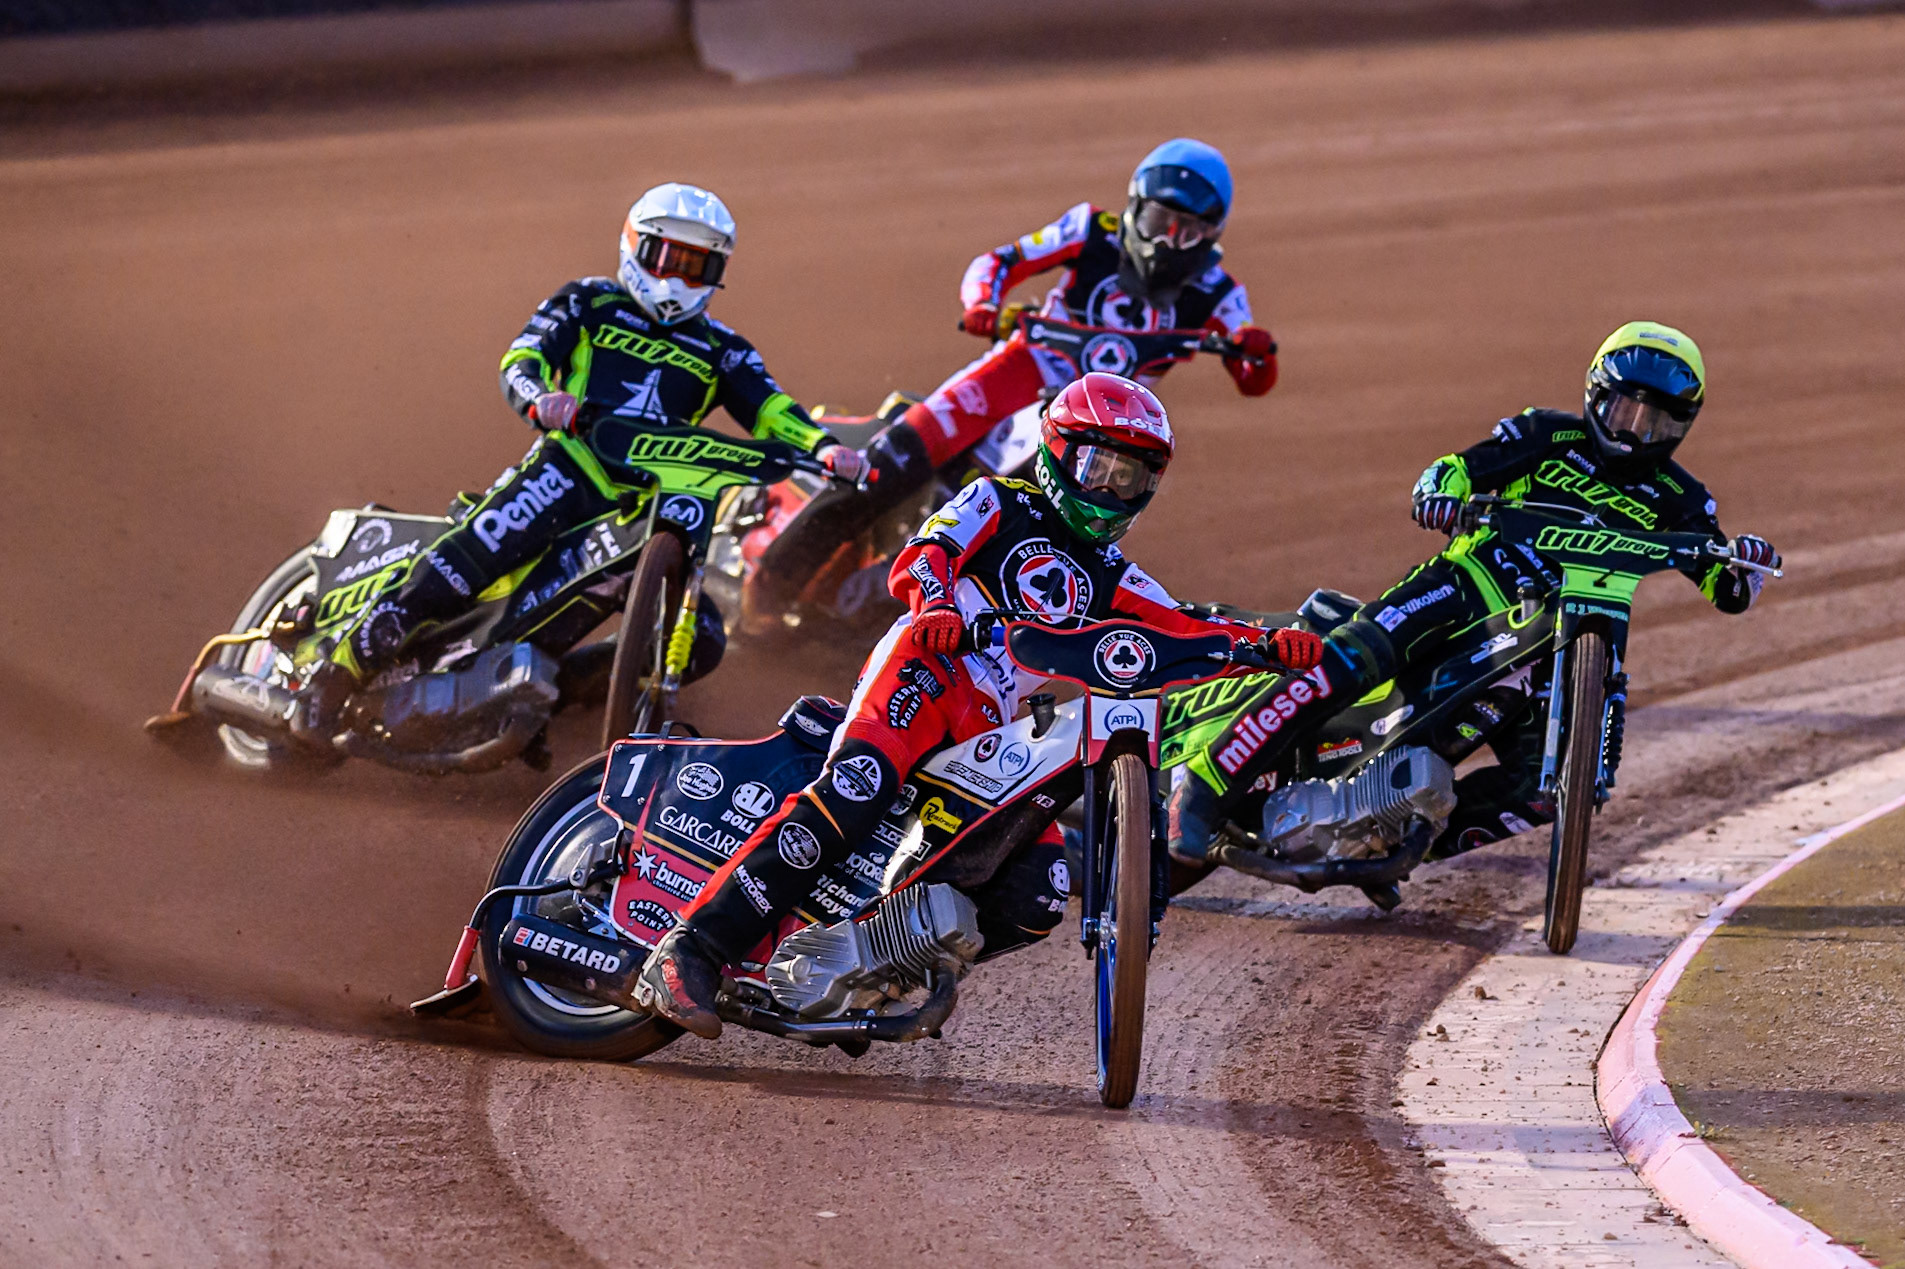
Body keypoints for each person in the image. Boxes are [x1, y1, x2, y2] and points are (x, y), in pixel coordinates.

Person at [634, 373, 1323, 1037]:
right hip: (924, 669)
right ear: (1056, 452)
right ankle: (689, 949)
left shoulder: (1116, 576)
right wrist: (936, 603)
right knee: (855, 790)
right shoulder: (997, 500)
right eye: (1097, 466)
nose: (1110, 489)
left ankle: (877, 961)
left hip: (989, 721)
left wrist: (1266, 646)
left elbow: (1184, 627)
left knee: (1039, 892)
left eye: (1130, 477)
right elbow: (929, 549)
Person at [1165, 321, 1782, 864]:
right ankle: (1205, 786)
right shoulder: (1545, 435)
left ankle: (1392, 840)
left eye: (1659, 419)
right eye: (1626, 411)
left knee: (1551, 790)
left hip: (1563, 640)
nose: (1638, 431)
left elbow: (1722, 581)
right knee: (1347, 660)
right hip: (1466, 587)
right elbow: (1458, 467)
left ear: (1685, 424)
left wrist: (1744, 566)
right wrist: (1439, 490)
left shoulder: (1682, 497)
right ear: (1598, 395)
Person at [292, 182, 866, 737]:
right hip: (568, 467)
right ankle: (335, 673)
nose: (676, 278)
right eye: (666, 257)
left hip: (651, 501)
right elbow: (523, 358)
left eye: (696, 266)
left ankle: (550, 701)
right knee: (471, 557)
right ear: (634, 245)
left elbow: (771, 408)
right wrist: (542, 399)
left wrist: (824, 448)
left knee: (705, 638)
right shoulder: (590, 302)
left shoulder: (725, 350)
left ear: (717, 274)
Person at [743, 137, 1278, 627]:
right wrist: (982, 305)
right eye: (1160, 220)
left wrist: (1253, 350)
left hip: (1097, 428)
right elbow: (999, 261)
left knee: (1044, 530)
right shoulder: (1091, 230)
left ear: (1213, 235)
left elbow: (1254, 371)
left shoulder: (1219, 289)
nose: (1169, 241)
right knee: (887, 465)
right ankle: (769, 585)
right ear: (1134, 208)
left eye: (1189, 231)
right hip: (1015, 374)